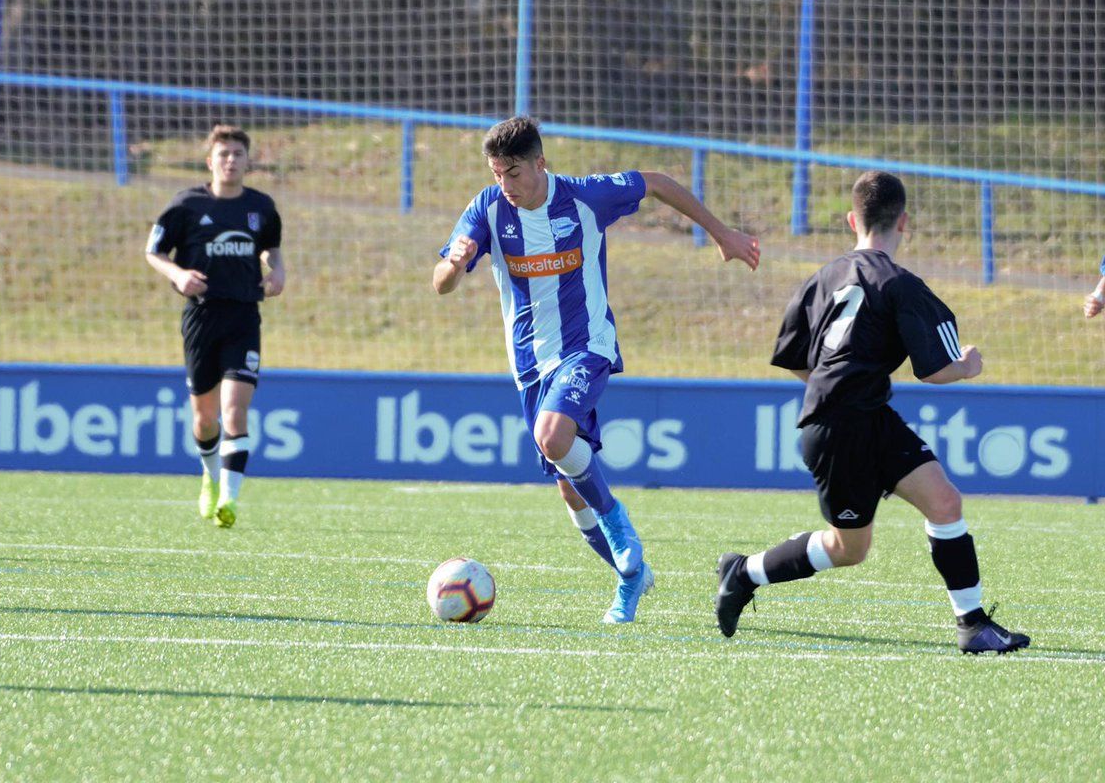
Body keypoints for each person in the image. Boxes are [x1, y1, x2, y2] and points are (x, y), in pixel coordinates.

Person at [434, 116, 760, 623]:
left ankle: (619, 524)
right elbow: (440, 284)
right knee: (568, 484)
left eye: (514, 173)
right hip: (529, 367)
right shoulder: (489, 208)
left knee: (551, 435)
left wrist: (720, 233)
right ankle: (630, 578)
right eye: (497, 173)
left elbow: (656, 183)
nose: (506, 185)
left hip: (588, 346)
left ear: (541, 163)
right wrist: (454, 264)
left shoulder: (586, 197)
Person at [714, 171, 1029, 654]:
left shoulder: (820, 279)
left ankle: (973, 626)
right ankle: (745, 571)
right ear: (905, 221)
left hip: (863, 418)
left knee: (945, 503)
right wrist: (967, 366)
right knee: (849, 549)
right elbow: (935, 369)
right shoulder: (901, 284)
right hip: (842, 430)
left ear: (850, 220)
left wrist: (840, 389)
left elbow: (798, 361)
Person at [144, 124, 286, 528]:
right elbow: (153, 251)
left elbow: (271, 251)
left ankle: (230, 498)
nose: (230, 161)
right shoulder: (186, 205)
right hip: (201, 317)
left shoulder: (261, 207)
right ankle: (209, 476)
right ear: (211, 162)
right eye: (223, 154)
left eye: (238, 154)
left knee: (234, 411)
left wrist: (277, 273)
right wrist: (177, 275)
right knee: (205, 418)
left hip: (244, 315)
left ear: (247, 161)